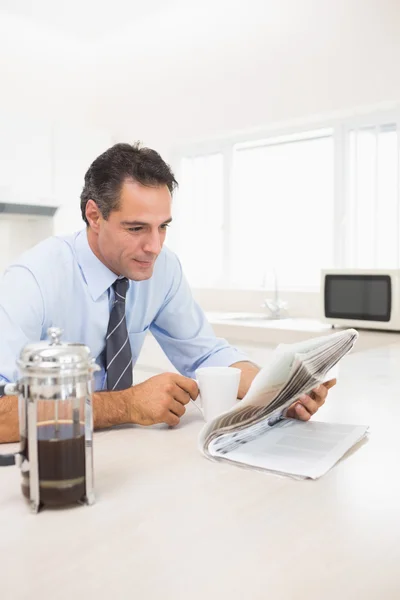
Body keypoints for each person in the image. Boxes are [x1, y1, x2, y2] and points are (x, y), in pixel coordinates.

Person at [0, 143, 334, 444]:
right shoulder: (31, 281)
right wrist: (126, 405)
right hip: (53, 459)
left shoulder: (163, 269)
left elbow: (205, 356)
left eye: (163, 226)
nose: (154, 246)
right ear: (94, 216)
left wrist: (280, 391)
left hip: (125, 454)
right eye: (136, 228)